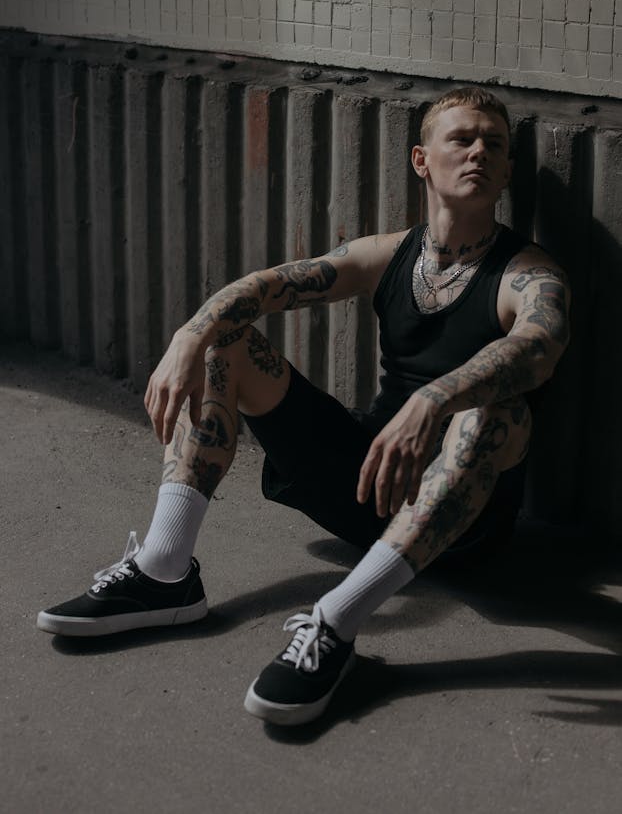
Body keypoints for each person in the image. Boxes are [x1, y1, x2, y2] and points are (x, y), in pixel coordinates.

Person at [37, 86, 570, 726]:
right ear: (422, 159)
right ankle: (164, 571)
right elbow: (266, 286)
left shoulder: (529, 275)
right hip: (369, 486)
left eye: (495, 144)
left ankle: (336, 625)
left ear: (509, 169)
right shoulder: (389, 253)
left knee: (497, 411)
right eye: (462, 139)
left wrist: (436, 397)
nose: (479, 151)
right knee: (225, 340)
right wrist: (189, 334)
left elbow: (539, 347)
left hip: (463, 523)